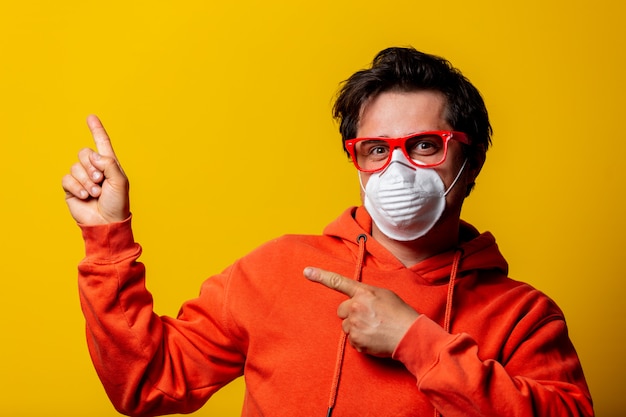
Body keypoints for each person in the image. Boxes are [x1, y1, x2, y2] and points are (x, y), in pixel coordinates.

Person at [62, 47, 594, 417]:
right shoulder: (278, 270)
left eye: (425, 145)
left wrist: (414, 340)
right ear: (357, 160)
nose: (397, 170)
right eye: (377, 149)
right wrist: (107, 237)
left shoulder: (524, 316)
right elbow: (146, 380)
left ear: (470, 160)